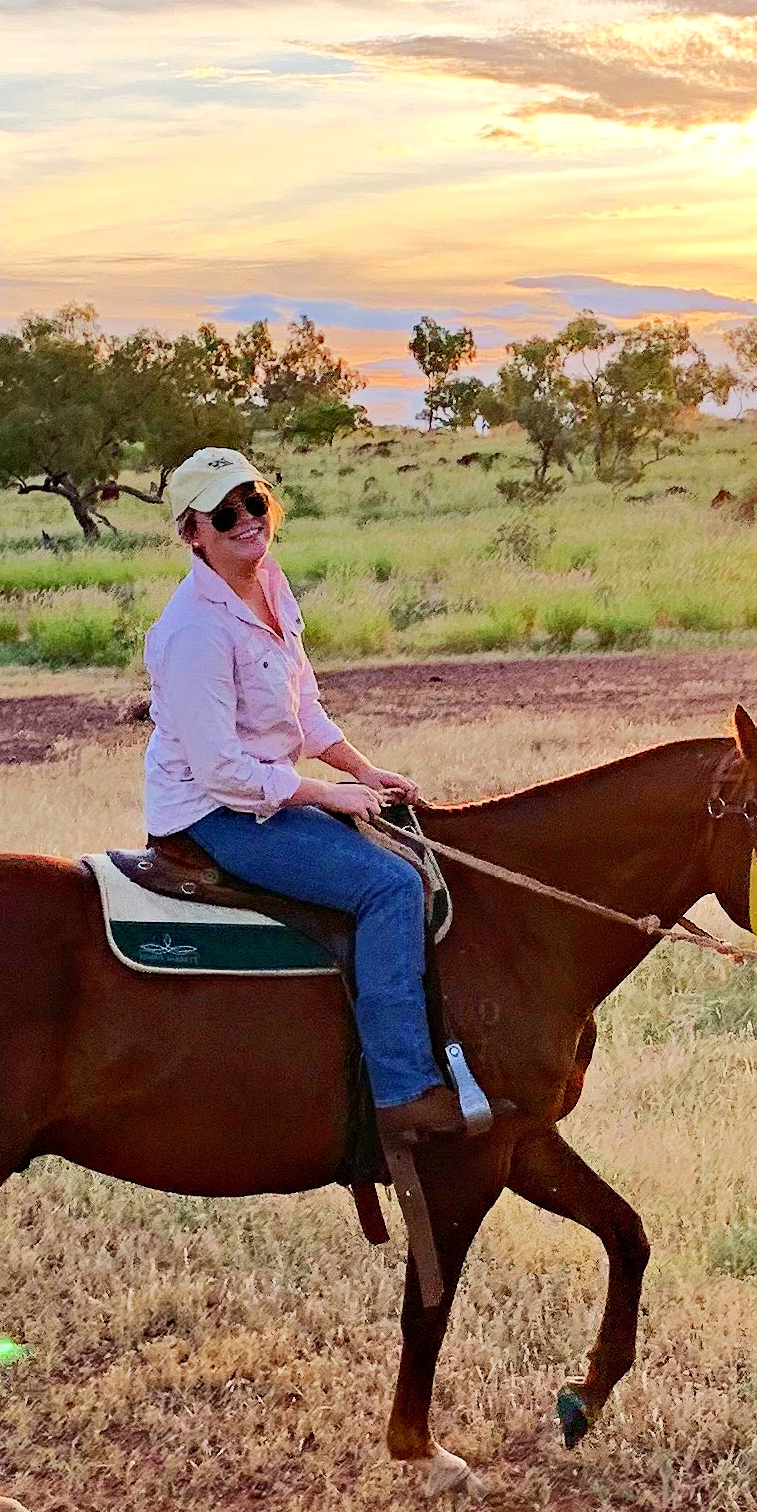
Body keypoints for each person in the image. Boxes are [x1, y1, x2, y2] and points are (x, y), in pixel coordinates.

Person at [141, 446, 465, 1144]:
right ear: (193, 533)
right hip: (214, 814)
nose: (247, 521)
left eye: (255, 502)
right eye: (224, 514)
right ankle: (404, 1091)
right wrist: (325, 794)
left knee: (418, 849)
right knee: (388, 888)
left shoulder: (269, 586)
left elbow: (303, 708)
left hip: (263, 791)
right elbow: (222, 771)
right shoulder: (195, 631)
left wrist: (362, 769)